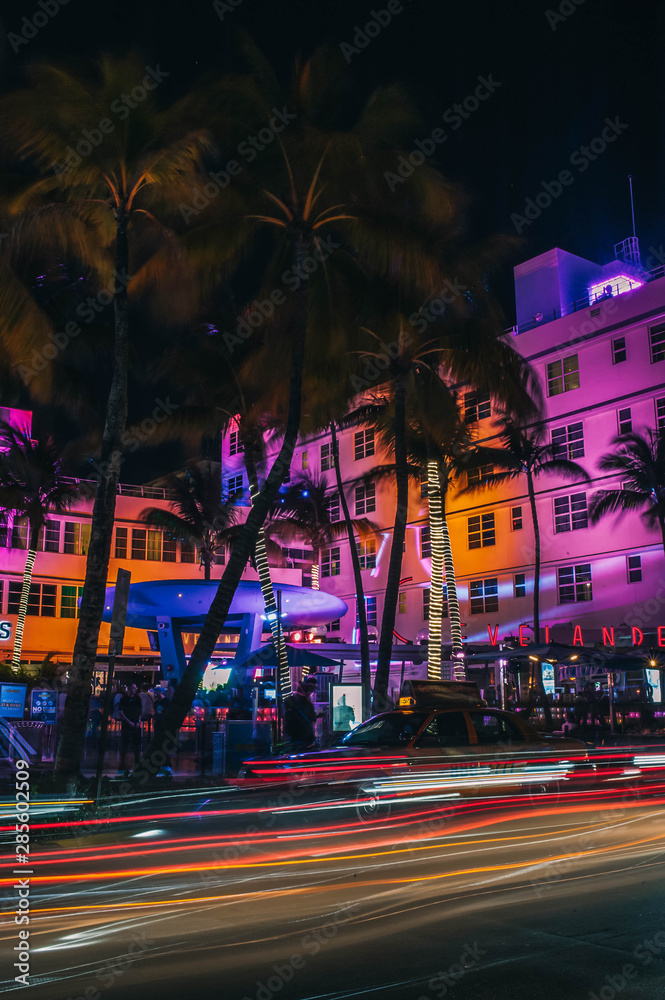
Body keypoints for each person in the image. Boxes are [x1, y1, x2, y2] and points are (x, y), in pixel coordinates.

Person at [283, 676, 321, 748]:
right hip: (305, 736)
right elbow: (313, 718)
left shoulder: (289, 701)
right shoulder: (307, 704)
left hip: (292, 735)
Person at [118, 683, 142, 776]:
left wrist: (138, 721)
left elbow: (140, 711)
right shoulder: (124, 700)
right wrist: (129, 722)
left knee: (136, 744)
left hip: (135, 724)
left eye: (135, 688)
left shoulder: (138, 699)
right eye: (133, 688)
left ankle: (137, 762)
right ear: (129, 689)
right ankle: (122, 763)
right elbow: (121, 712)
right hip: (127, 725)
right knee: (124, 744)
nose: (134, 690)